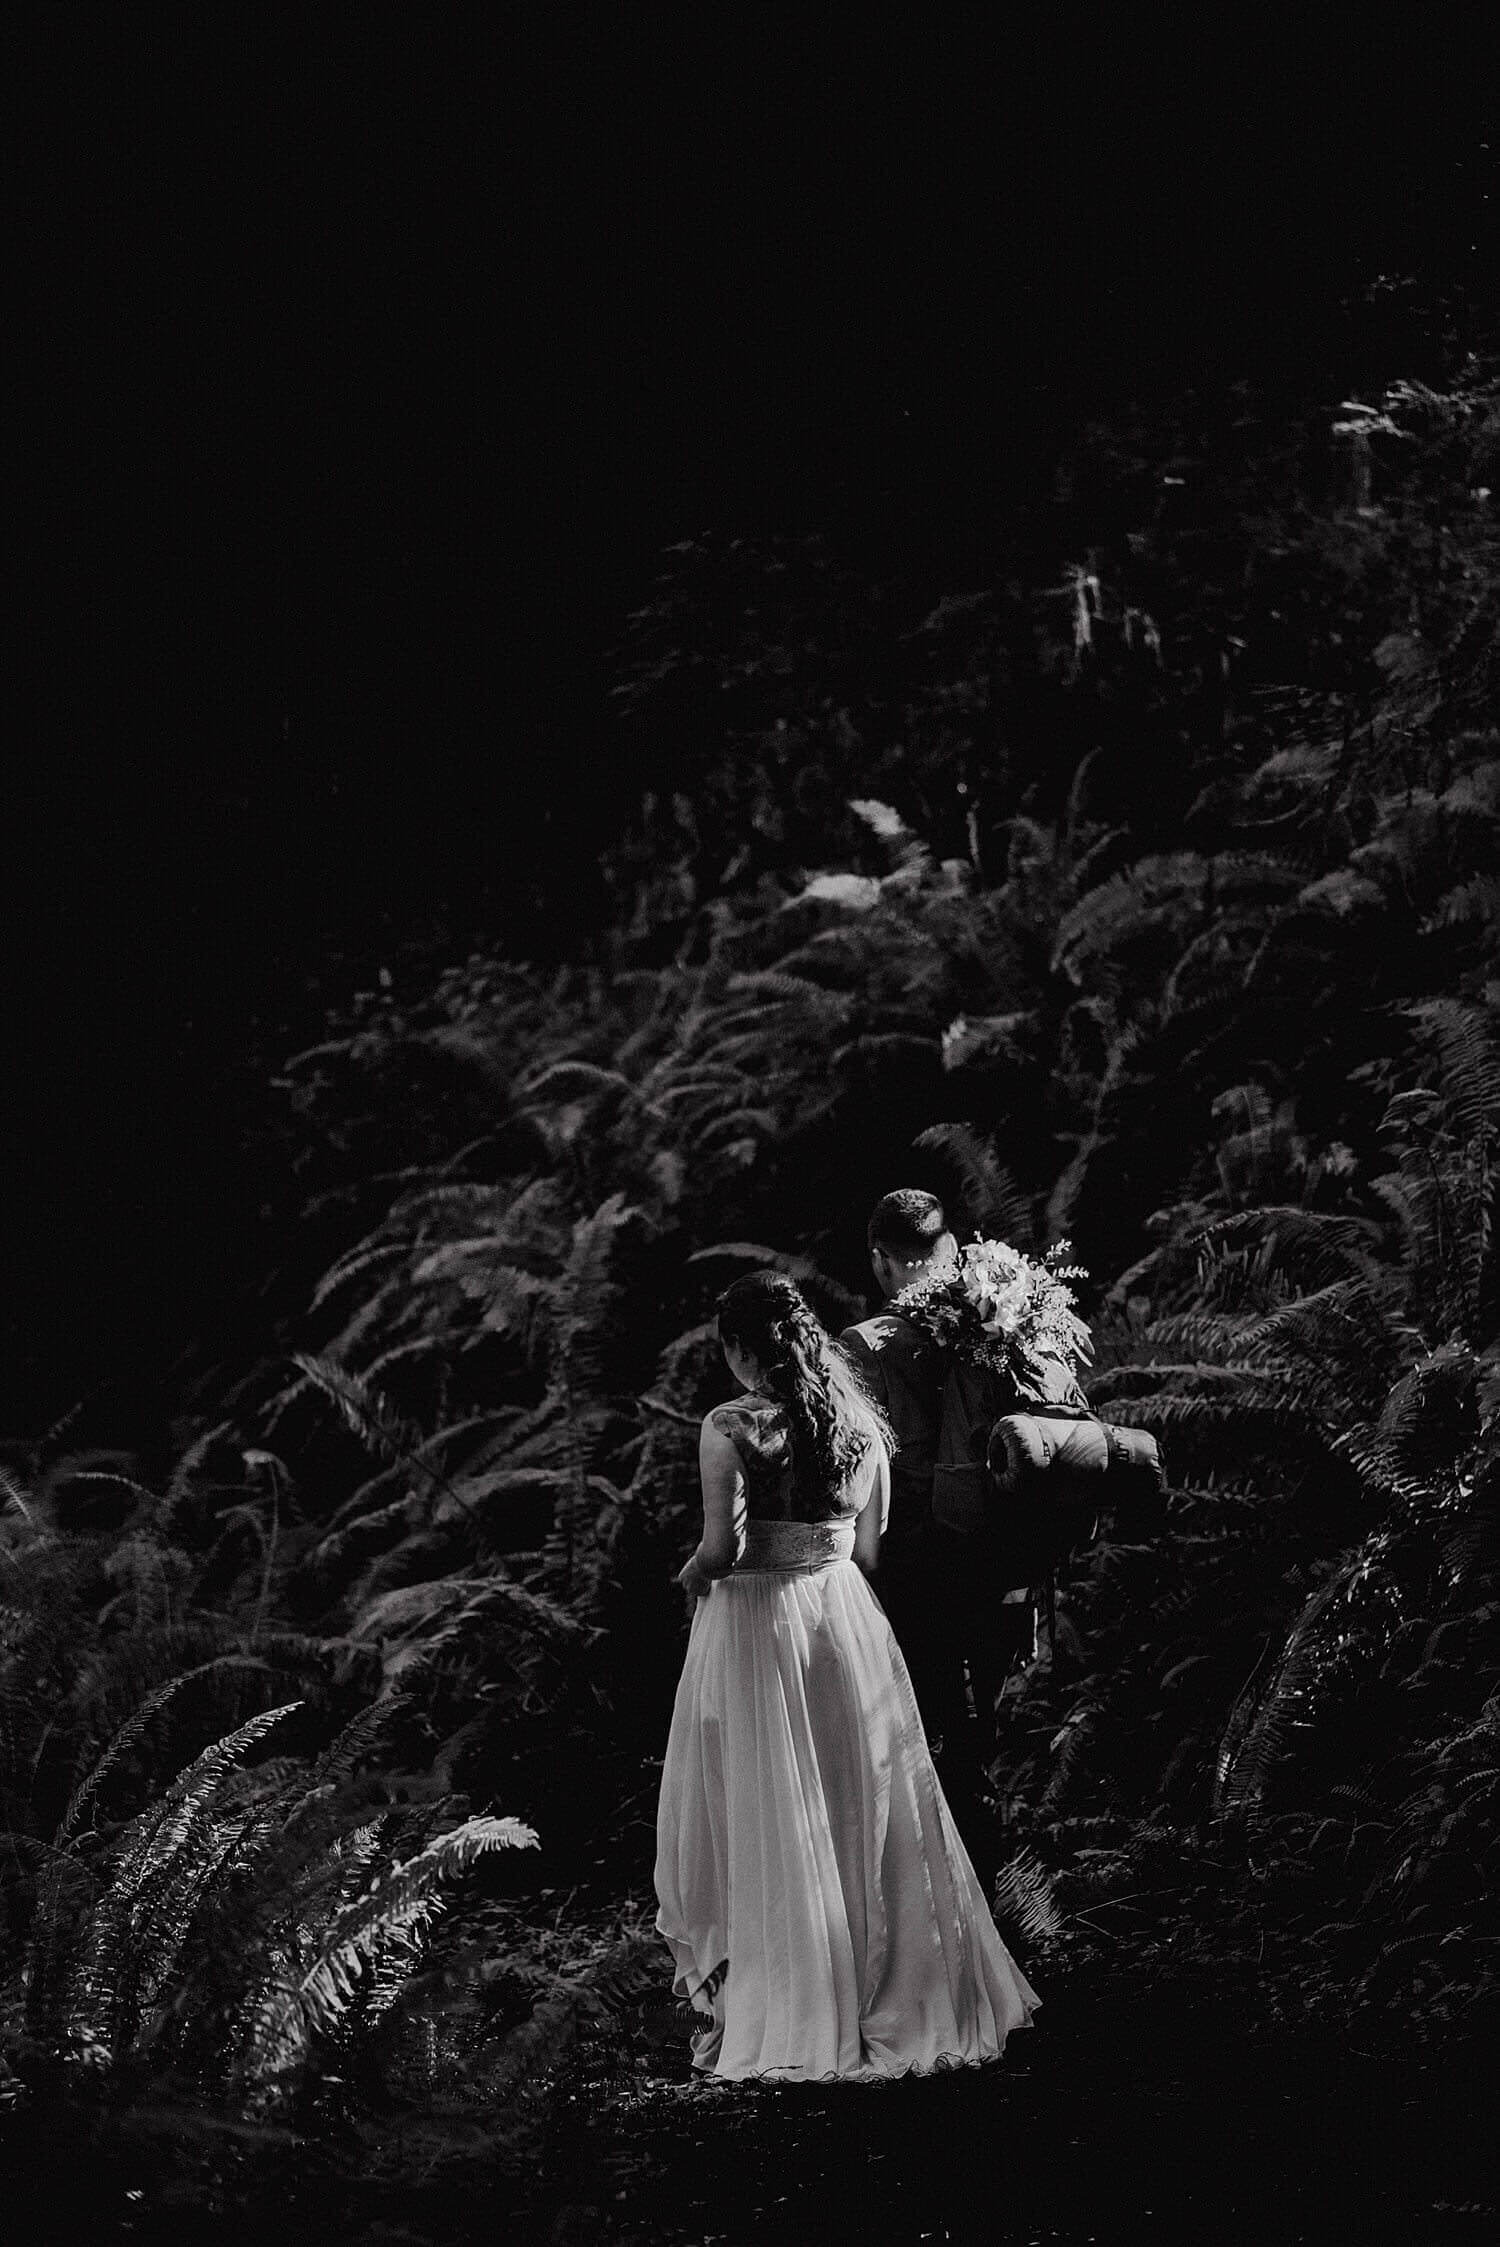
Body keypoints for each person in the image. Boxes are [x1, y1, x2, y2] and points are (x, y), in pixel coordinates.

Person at [654, 1270, 1040, 2082]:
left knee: (772, 1802)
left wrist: (690, 1575)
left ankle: (793, 1991)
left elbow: (722, 1551)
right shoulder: (863, 1421)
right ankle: (893, 1980)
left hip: (759, 1624)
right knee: (861, 1800)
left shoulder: (730, 1424)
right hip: (844, 1619)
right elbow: (867, 1551)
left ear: (737, 1348)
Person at [839, 1191, 984, 1808]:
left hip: (914, 1562)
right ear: (946, 1247)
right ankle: (998, 1878)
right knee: (979, 1722)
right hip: (988, 1545)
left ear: (880, 1261)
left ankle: (951, 1884)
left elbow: (858, 1466)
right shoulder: (990, 1316)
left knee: (926, 1727)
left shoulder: (865, 1344)